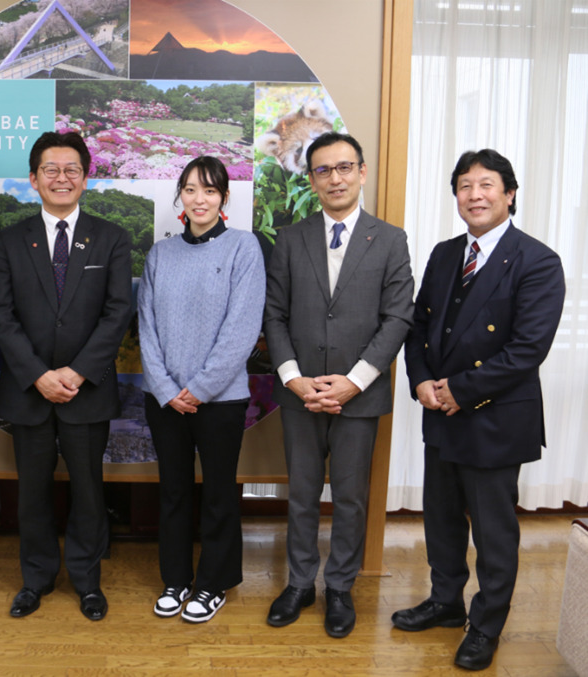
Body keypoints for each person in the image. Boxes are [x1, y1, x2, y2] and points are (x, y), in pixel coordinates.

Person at [394, 149, 564, 671]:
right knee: (441, 520)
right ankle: (445, 602)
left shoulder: (537, 260)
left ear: (509, 194)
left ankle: (485, 624)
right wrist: (420, 380)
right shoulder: (446, 254)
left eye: (486, 184)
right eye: (465, 186)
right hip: (440, 412)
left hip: (494, 418)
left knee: (493, 532)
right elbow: (420, 327)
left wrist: (458, 391)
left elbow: (526, 350)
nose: (475, 195)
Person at [263, 132, 414, 638]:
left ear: (362, 172)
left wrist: (354, 381)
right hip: (301, 394)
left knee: (350, 499)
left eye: (344, 167)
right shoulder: (290, 238)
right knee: (302, 495)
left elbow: (398, 319)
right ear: (311, 180)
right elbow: (274, 315)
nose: (335, 178)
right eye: (323, 170)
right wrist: (293, 379)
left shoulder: (390, 239)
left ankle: (341, 587)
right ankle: (299, 584)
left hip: (359, 396)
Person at [0, 131, 132, 622]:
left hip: (85, 390)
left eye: (72, 169)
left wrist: (76, 372)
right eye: (50, 169)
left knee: (88, 492)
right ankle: (36, 579)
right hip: (29, 391)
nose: (61, 178)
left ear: (86, 178)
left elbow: (117, 312)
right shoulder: (9, 239)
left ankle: (88, 582)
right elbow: (1, 314)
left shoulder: (111, 237)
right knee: (32, 493)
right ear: (34, 179)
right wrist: (38, 375)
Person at [138, 157, 265, 623]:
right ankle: (175, 579)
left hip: (221, 400)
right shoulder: (160, 254)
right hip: (165, 400)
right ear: (180, 196)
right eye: (190, 189)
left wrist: (201, 388)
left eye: (210, 190)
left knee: (218, 493)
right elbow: (146, 326)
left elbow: (242, 328)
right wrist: (166, 387)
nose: (199, 199)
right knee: (172, 491)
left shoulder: (243, 248)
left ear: (224, 198)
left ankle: (212, 584)